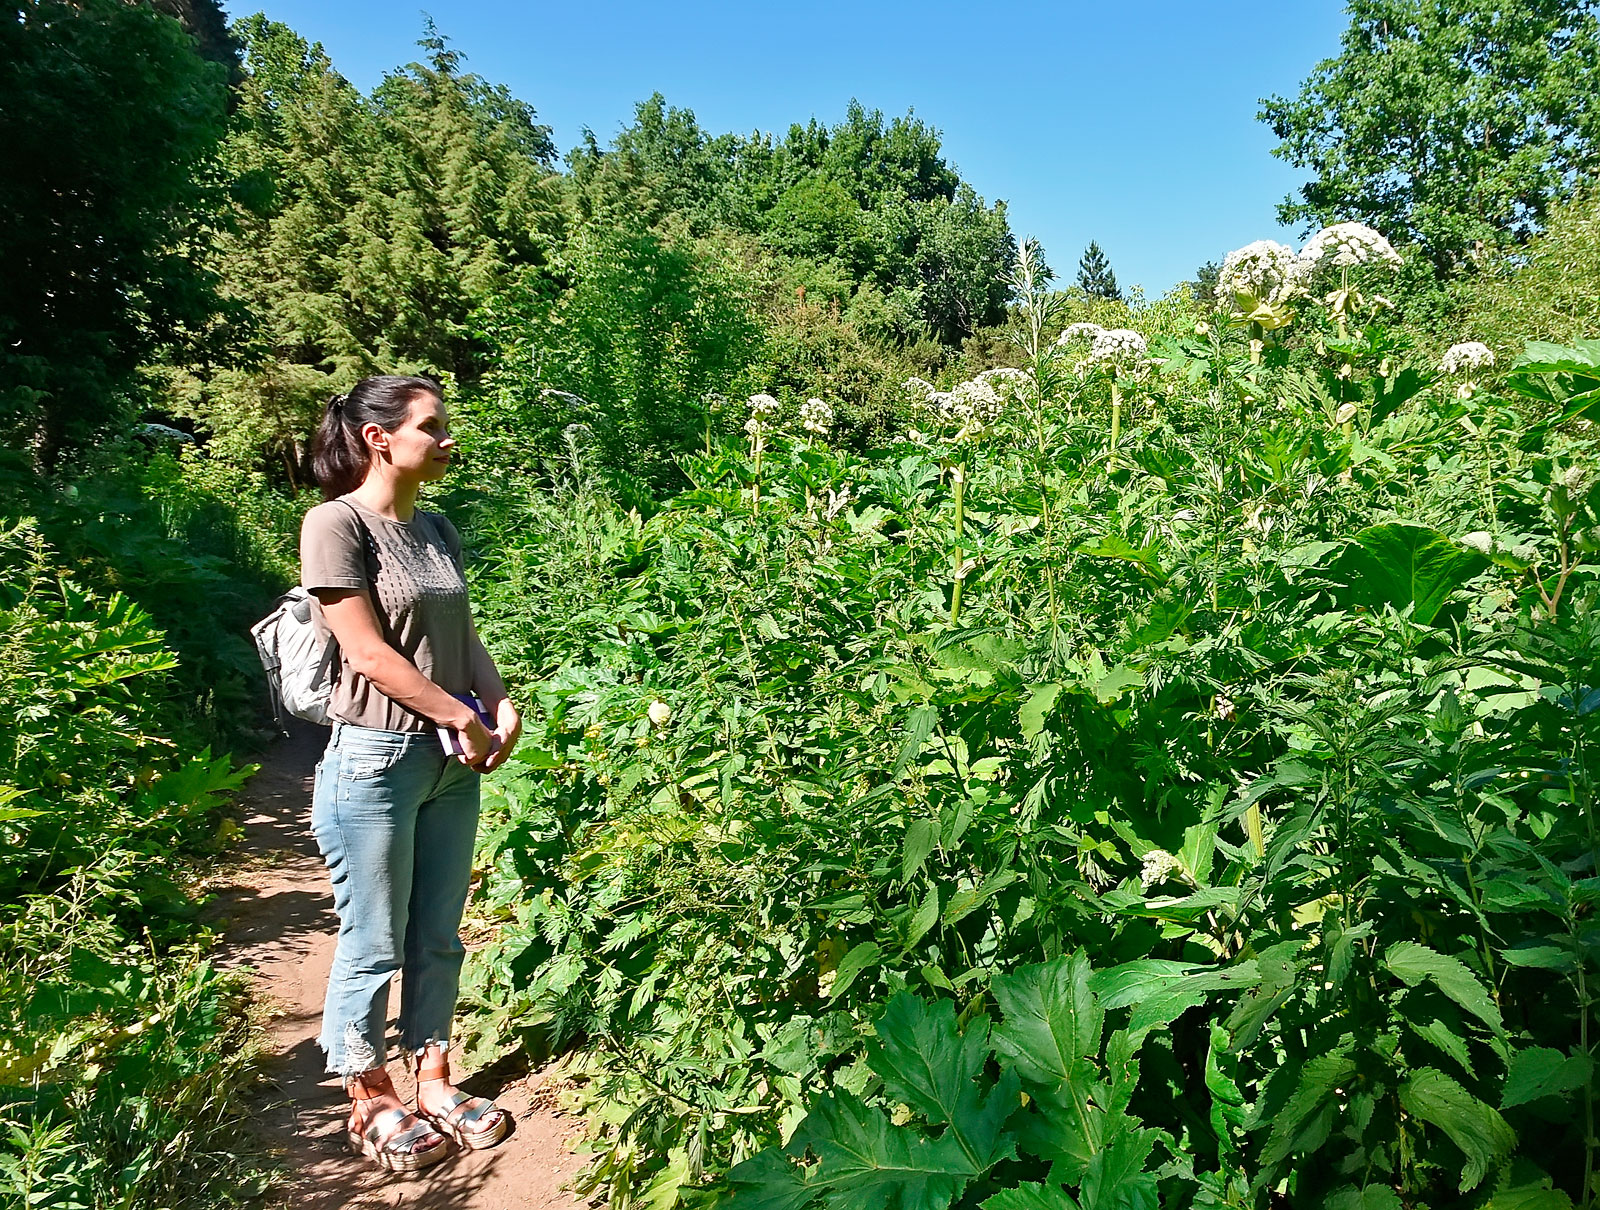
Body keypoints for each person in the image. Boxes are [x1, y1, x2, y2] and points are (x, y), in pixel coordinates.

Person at [300, 374, 520, 1172]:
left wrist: (497, 701)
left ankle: (432, 1076)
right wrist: (457, 713)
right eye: (433, 426)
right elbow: (364, 651)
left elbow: (462, 631)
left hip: (451, 761)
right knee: (372, 941)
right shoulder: (335, 524)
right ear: (379, 438)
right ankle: (369, 1097)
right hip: (375, 758)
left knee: (437, 934)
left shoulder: (437, 528)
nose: (447, 438)